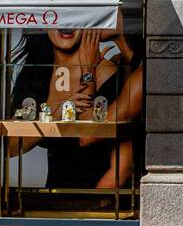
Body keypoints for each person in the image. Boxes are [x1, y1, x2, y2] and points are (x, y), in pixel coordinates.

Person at [9, 16, 145, 191]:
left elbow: (122, 170)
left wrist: (87, 211)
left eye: (75, 14)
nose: (66, 22)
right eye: (56, 15)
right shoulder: (37, 76)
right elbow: (11, 147)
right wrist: (56, 115)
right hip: (51, 203)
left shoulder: (114, 76)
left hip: (97, 206)